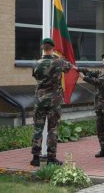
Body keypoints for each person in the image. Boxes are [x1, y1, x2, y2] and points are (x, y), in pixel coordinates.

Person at [30, 38, 77, 166]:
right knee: (53, 129)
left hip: (40, 100)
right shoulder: (59, 62)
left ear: (42, 48)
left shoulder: (36, 63)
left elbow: (35, 76)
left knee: (37, 129)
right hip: (54, 101)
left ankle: (35, 158)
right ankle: (51, 158)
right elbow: (69, 67)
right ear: (53, 48)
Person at [80, 51, 104, 158]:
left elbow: (97, 82)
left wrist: (83, 77)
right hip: (99, 105)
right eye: (103, 58)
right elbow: (91, 73)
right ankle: (103, 148)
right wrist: (80, 69)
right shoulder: (102, 72)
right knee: (100, 128)